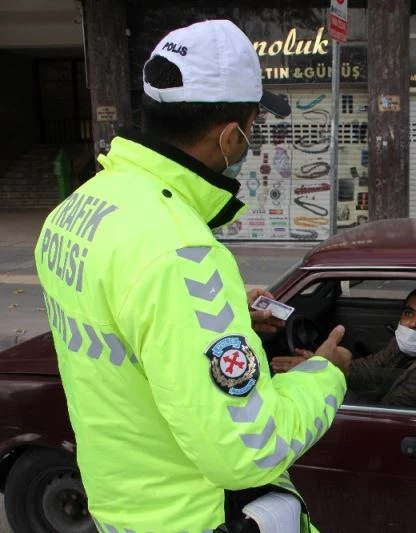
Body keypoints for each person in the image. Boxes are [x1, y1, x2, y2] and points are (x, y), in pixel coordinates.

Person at [34, 20, 351, 532]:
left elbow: (124, 325)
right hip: (195, 517)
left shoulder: (78, 208)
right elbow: (247, 452)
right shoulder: (181, 252)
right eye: (254, 125)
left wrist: (225, 314)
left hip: (124, 508)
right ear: (229, 136)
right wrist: (325, 375)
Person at [272, 285, 416, 410]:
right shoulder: (402, 345)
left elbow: (380, 414)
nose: (413, 324)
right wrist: (321, 366)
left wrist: (321, 380)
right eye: (409, 313)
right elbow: (370, 369)